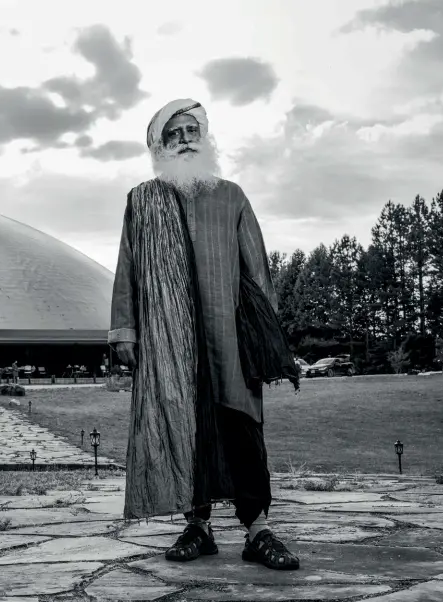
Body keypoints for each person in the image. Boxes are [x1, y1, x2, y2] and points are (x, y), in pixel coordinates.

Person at [108, 98, 299, 571]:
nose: (185, 138)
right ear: (158, 146)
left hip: (230, 340)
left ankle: (257, 529)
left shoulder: (231, 195)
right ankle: (198, 526)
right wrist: (126, 332)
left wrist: (265, 336)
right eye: (173, 133)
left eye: (192, 129)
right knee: (185, 429)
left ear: (205, 137)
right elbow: (127, 270)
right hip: (170, 343)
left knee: (241, 427)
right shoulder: (142, 200)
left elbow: (258, 272)